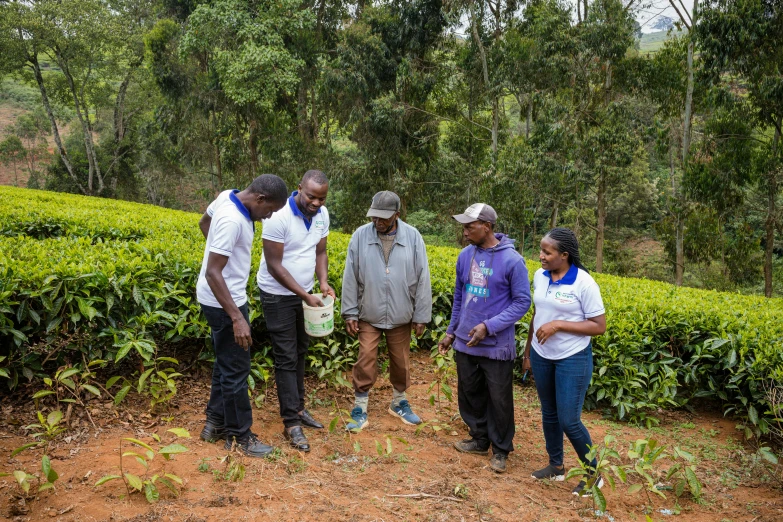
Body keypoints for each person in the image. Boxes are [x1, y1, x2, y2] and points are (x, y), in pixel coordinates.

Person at [197, 174, 289, 457]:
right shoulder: (233, 221)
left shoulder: (228, 195)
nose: (267, 217)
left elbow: (204, 222)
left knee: (225, 363)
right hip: (226, 303)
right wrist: (237, 318)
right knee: (237, 370)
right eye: (269, 210)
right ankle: (240, 436)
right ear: (260, 199)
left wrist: (222, 250)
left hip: (219, 298)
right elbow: (214, 272)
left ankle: (214, 423)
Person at [437, 203, 531, 474]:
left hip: (496, 345)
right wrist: (451, 331)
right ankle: (479, 439)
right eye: (464, 226)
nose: (465, 231)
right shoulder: (465, 256)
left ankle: (501, 449)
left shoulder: (513, 261)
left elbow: (522, 302)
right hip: (465, 340)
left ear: (487, 227)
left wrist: (489, 327)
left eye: (470, 226)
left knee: (499, 398)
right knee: (469, 393)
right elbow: (459, 296)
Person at [522, 227, 607, 497]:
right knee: (549, 412)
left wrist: (559, 324)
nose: (541, 256)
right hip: (541, 354)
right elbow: (538, 314)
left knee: (569, 419)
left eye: (547, 252)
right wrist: (527, 352)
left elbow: (598, 326)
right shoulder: (540, 276)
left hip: (572, 358)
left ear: (565, 255)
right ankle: (556, 466)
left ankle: (593, 473)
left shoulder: (584, 283)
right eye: (541, 250)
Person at [256, 169, 335, 452]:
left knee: (302, 351)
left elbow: (320, 251)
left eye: (322, 199)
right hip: (278, 295)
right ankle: (291, 422)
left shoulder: (322, 216)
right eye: (312, 196)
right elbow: (275, 266)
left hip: (306, 293)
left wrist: (322, 283)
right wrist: (304, 294)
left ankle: (299, 408)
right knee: (286, 356)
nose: (316, 203)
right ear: (299, 188)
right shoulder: (278, 217)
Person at [341, 191, 432, 430]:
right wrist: (350, 312)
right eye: (374, 217)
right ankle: (360, 406)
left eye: (383, 218)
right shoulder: (360, 236)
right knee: (366, 358)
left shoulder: (413, 237)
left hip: (402, 313)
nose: (378, 222)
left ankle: (399, 402)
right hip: (368, 312)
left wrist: (421, 315)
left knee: (401, 361)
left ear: (396, 215)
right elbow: (350, 276)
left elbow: (423, 277)